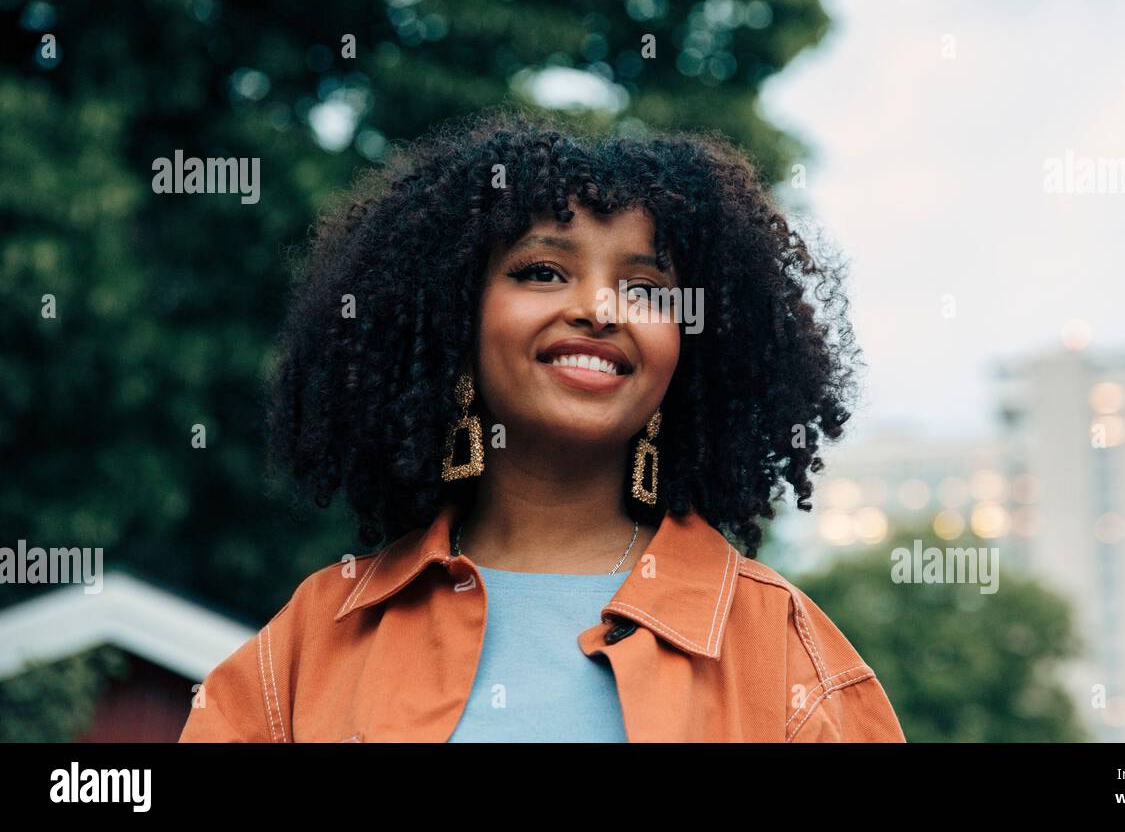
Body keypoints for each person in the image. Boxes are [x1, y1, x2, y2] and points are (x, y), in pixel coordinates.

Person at [178, 107, 905, 743]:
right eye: (542, 272)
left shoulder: (787, 655)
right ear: (450, 319)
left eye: (646, 289)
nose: (599, 308)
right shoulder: (312, 641)